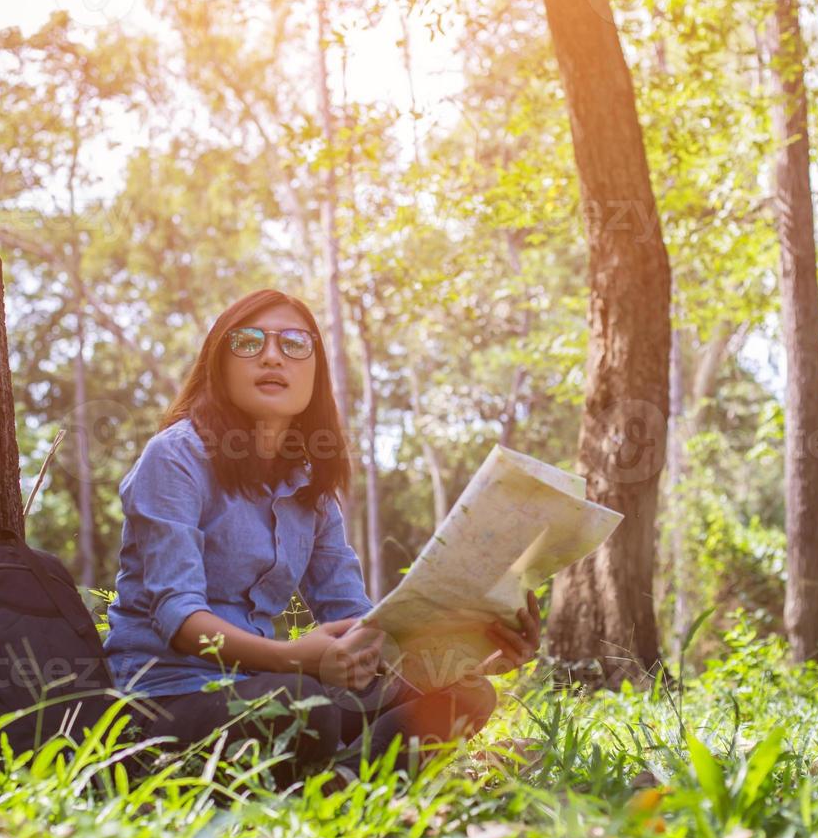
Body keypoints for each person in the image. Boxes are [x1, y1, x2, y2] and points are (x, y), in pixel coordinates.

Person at [104, 288, 542, 783]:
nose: (272, 355)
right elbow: (179, 618)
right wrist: (296, 659)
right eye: (248, 342)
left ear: (315, 371)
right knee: (305, 709)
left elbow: (355, 618)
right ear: (219, 365)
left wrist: (468, 652)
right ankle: (343, 779)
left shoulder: (310, 483)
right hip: (167, 699)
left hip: (263, 689)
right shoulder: (175, 457)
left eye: (294, 343)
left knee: (467, 698)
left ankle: (332, 785)